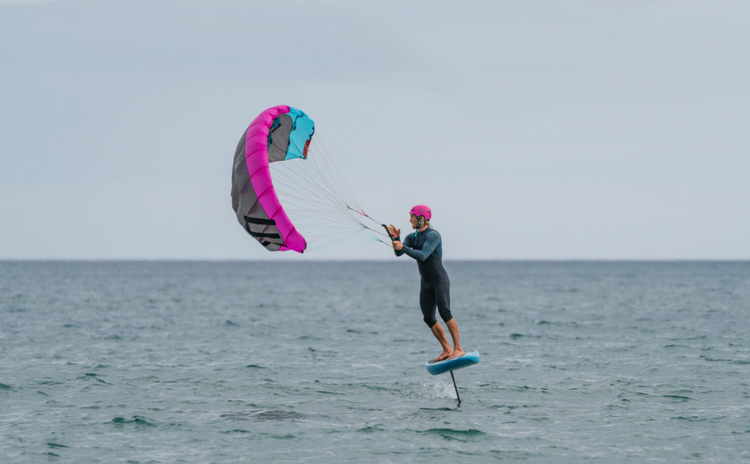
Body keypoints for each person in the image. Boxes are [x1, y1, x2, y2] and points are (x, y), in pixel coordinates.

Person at [388, 205, 465, 362]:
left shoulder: (433, 235)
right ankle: (447, 349)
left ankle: (458, 349)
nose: (410, 219)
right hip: (426, 282)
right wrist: (396, 240)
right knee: (428, 318)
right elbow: (399, 253)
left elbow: (423, 255)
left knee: (445, 312)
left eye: (412, 217)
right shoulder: (411, 236)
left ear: (421, 218)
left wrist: (402, 246)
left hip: (439, 280)